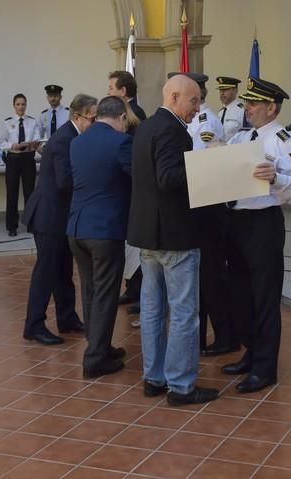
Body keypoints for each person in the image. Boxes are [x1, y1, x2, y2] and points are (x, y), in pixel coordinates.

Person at [127, 74, 219, 406]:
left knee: (152, 309)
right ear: (176, 97)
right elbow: (168, 178)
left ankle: (154, 378)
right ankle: (181, 386)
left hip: (147, 235)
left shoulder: (147, 127)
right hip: (175, 236)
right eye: (194, 101)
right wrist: (209, 165)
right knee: (183, 313)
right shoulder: (172, 130)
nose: (198, 108)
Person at [221, 77, 291, 393]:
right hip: (236, 222)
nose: (247, 108)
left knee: (265, 296)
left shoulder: (283, 140)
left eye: (253, 103)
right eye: (245, 103)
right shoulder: (241, 138)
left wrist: (276, 177)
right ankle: (251, 352)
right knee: (240, 294)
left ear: (272, 107)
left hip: (263, 224)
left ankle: (264, 367)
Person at [21, 94, 97, 345]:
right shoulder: (65, 139)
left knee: (63, 269)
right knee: (46, 270)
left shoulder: (74, 136)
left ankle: (67, 318)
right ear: (77, 116)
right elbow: (66, 182)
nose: (95, 123)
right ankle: (34, 325)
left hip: (60, 216)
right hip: (48, 215)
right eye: (92, 118)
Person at [168, 71, 235, 356]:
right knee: (201, 279)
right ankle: (202, 337)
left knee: (212, 277)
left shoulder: (206, 122)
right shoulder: (190, 121)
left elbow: (201, 161)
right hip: (197, 205)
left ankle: (226, 336)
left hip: (208, 207)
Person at [68, 96, 133, 378]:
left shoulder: (77, 141)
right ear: (119, 117)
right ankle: (95, 359)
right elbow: (137, 178)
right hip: (105, 230)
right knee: (106, 293)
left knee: (91, 291)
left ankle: (100, 345)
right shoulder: (121, 142)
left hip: (77, 228)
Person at [108, 70, 145, 322]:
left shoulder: (136, 115)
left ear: (123, 91)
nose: (108, 91)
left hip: (132, 187)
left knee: (136, 246)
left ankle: (142, 294)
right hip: (124, 187)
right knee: (128, 245)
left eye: (111, 87)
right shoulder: (122, 114)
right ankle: (131, 289)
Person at [0, 93, 42, 237]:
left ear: (26, 105)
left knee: (29, 192)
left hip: (28, 158)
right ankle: (12, 226)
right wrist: (12, 145)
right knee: (12, 193)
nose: (21, 107)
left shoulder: (32, 122)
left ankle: (30, 224)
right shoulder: (7, 122)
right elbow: (1, 143)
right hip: (13, 159)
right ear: (14, 106)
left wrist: (34, 143)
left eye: (23, 104)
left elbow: (37, 138)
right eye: (18, 104)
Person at [216, 76, 245, 141]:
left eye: (225, 89)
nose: (222, 93)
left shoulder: (242, 111)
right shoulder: (221, 112)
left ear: (235, 91)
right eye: (220, 90)